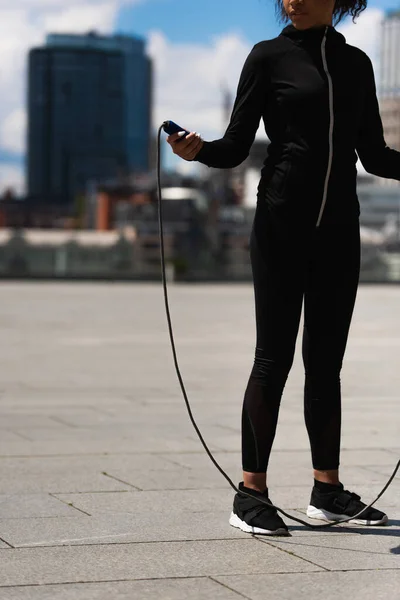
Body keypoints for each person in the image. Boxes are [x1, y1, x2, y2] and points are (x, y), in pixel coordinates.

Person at [167, 0, 400, 536]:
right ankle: (250, 494)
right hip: (280, 225)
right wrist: (197, 151)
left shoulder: (356, 64)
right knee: (271, 358)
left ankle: (327, 490)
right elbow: (233, 148)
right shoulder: (267, 57)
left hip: (340, 229)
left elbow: (375, 155)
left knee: (326, 364)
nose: (290, 1)